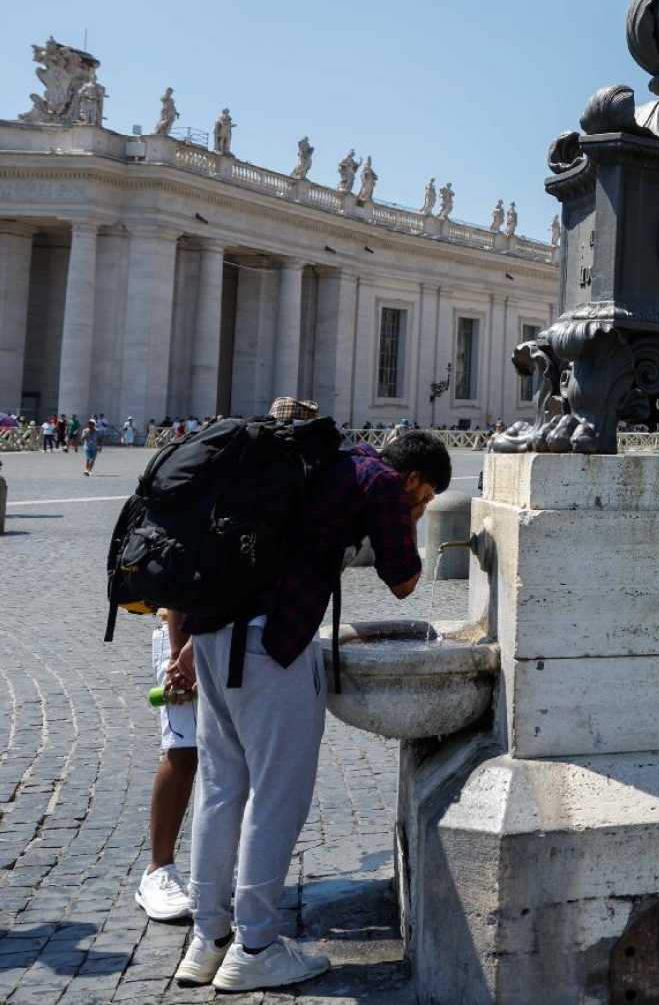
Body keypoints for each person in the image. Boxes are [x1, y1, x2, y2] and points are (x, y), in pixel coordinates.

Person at [170, 402, 449, 992]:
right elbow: (403, 582)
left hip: (214, 632)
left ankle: (208, 937)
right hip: (271, 647)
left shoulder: (331, 463)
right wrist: (411, 519)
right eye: (425, 495)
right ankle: (257, 945)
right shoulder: (383, 485)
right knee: (277, 797)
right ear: (419, 479)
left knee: (222, 789)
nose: (420, 503)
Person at [138, 609, 198, 921]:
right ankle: (158, 868)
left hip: (213, 635)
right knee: (182, 752)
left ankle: (213, 869)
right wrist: (179, 654)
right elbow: (181, 581)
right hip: (184, 636)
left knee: (225, 754)